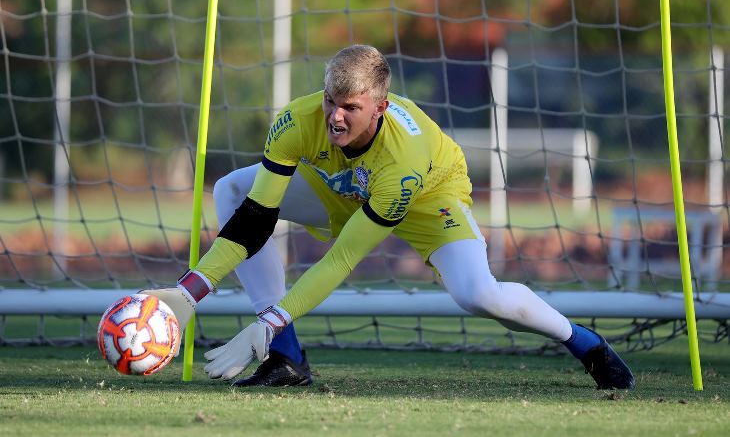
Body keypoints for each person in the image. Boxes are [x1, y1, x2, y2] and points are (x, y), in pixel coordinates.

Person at [145, 45, 635, 389]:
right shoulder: (296, 121)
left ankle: (585, 344)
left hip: (427, 196)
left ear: (379, 108)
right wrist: (192, 290)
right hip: (342, 182)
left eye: (351, 108)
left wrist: (269, 319)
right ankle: (285, 357)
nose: (336, 116)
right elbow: (255, 219)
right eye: (330, 101)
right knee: (234, 188)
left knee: (478, 295)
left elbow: (340, 260)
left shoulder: (404, 161)